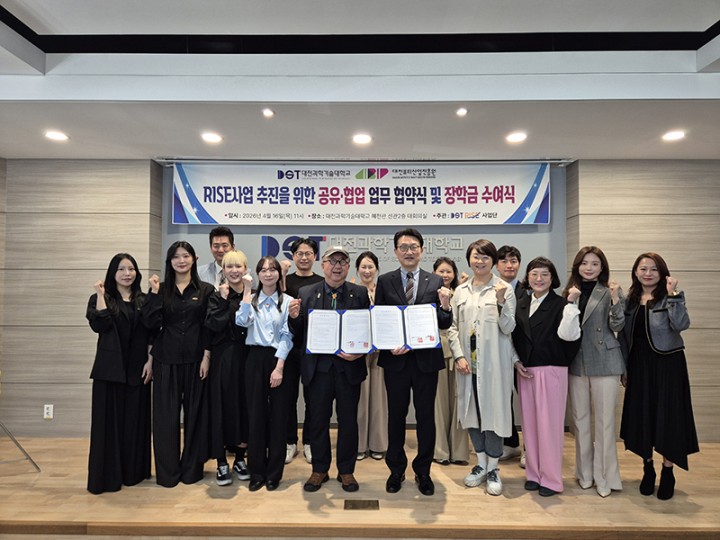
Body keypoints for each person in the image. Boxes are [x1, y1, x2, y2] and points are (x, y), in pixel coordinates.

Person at [375, 228, 452, 496]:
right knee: (395, 417)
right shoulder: (385, 281)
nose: (409, 252)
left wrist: (445, 306)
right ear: (396, 252)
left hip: (425, 361)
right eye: (404, 247)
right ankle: (396, 470)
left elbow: (444, 323)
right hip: (395, 361)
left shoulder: (435, 280)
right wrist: (388, 344)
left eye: (414, 247)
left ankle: (423, 471)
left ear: (422, 250)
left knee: (425, 418)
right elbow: (380, 320)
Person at [288, 246, 371, 492]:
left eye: (342, 262)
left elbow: (367, 329)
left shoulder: (360, 293)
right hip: (318, 370)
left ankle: (346, 471)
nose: (337, 266)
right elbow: (298, 333)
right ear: (323, 265)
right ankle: (319, 470)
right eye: (332, 261)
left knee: (348, 422)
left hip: (348, 369)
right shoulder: (306, 292)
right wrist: (294, 318)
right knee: (317, 421)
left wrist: (361, 351)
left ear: (348, 266)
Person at [619, 252, 699, 501]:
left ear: (662, 273)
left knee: (668, 418)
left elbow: (681, 324)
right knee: (643, 417)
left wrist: (673, 295)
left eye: (654, 269)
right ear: (635, 272)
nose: (648, 273)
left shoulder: (671, 297)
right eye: (643, 269)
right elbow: (623, 337)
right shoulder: (629, 300)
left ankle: (668, 471)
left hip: (668, 366)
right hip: (639, 366)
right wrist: (625, 369)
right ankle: (648, 468)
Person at [142, 241, 214, 487]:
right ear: (169, 261)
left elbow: (209, 327)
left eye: (185, 256)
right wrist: (153, 295)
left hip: (196, 360)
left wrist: (206, 357)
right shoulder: (160, 289)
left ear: (194, 259)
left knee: (195, 418)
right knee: (165, 419)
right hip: (166, 360)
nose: (181, 261)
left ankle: (192, 471)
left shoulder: (206, 290)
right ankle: (168, 474)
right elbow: (150, 325)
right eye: (176, 257)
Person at [448, 241, 516, 496]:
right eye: (476, 256)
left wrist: (500, 302)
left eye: (486, 257)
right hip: (468, 364)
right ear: (469, 259)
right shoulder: (460, 291)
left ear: (493, 261)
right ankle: (481, 464)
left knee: (493, 414)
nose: (480, 261)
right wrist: (458, 356)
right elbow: (452, 327)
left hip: (493, 365)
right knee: (472, 413)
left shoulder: (504, 289)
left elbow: (509, 327)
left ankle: (494, 467)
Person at [511, 256, 581, 497]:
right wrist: (516, 361)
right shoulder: (521, 303)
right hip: (525, 370)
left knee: (549, 427)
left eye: (544, 274)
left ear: (553, 279)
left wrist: (571, 304)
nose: (538, 279)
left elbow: (570, 336)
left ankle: (551, 479)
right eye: (534, 274)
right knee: (530, 426)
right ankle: (533, 474)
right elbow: (512, 337)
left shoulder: (561, 304)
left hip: (551, 369)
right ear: (527, 277)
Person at [86, 253, 153, 494]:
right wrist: (101, 295)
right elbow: (99, 325)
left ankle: (133, 473)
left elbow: (151, 331)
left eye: (131, 269)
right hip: (109, 370)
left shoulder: (143, 299)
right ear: (112, 273)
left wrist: (150, 361)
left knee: (134, 423)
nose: (127, 273)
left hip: (138, 368)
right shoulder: (101, 298)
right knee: (108, 425)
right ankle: (107, 477)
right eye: (121, 269)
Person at [563, 246, 625, 498]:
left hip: (606, 360)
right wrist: (570, 301)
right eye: (584, 263)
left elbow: (618, 324)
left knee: (605, 422)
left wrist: (616, 299)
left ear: (602, 267)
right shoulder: (569, 291)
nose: (589, 268)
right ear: (577, 266)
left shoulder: (610, 290)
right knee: (580, 421)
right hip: (576, 361)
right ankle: (584, 473)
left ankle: (604, 476)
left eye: (595, 263)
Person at [236, 256, 293, 491]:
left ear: (279, 274)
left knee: (278, 417)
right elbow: (241, 321)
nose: (268, 274)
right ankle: (257, 471)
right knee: (256, 415)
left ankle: (274, 473)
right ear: (257, 274)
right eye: (263, 270)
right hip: (254, 359)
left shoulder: (288, 301)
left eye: (272, 269)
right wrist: (246, 291)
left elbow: (288, 335)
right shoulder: (251, 299)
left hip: (279, 359)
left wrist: (279, 367)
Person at [204, 249, 250, 486]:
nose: (234, 271)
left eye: (238, 266)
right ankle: (221, 461)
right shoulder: (216, 296)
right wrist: (223, 300)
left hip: (248, 358)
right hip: (223, 358)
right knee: (221, 408)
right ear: (223, 270)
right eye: (229, 267)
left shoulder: (253, 294)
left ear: (245, 269)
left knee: (244, 408)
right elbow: (213, 325)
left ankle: (240, 458)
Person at [281, 237, 324, 465]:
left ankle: (309, 442)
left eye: (308, 253)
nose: (304, 257)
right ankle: (290, 442)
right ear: (293, 256)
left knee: (313, 399)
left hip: (313, 349)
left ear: (315, 257)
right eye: (300, 253)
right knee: (288, 398)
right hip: (288, 348)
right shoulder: (285, 281)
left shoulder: (322, 282)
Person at [432, 257, 469, 467]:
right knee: (439, 404)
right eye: (441, 271)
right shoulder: (429, 295)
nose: (445, 275)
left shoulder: (461, 294)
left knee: (459, 402)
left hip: (459, 353)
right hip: (437, 352)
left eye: (448, 271)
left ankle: (460, 451)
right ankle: (440, 451)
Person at [354, 251, 388, 461]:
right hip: (357, 353)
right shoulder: (351, 290)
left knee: (378, 399)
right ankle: (358, 445)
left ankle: (377, 444)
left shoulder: (384, 291)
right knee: (359, 399)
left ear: (376, 269)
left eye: (370, 267)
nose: (367, 271)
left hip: (379, 352)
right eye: (363, 267)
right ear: (357, 269)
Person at [496, 245, 524, 465]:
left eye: (513, 261)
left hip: (525, 356)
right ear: (496, 265)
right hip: (500, 354)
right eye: (504, 261)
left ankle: (530, 449)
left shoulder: (529, 289)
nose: (509, 265)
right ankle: (511, 443)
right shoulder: (491, 289)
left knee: (527, 403)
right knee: (504, 401)